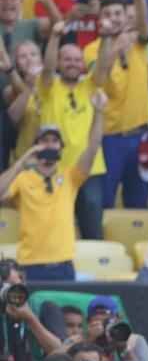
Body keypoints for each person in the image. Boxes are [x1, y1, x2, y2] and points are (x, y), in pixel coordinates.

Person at [0, 91, 104, 281]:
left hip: (63, 265)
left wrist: (98, 112)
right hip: (30, 265)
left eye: (55, 141)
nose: (49, 145)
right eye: (44, 141)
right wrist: (22, 161)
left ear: (61, 147)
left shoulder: (71, 176)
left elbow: (93, 147)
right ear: (36, 145)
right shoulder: (22, 178)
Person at [39, 20, 106, 239]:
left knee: (92, 232)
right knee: (57, 232)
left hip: (90, 170)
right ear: (59, 63)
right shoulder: (48, 87)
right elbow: (47, 68)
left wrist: (106, 38)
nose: (73, 64)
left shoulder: (90, 85)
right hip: (56, 169)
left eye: (77, 60)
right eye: (67, 59)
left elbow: (103, 66)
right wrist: (55, 37)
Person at [90, 0, 148, 210]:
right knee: (105, 200)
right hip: (110, 137)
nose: (114, 18)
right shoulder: (91, 50)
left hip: (142, 135)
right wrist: (115, 48)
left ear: (126, 17)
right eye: (107, 14)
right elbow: (98, 78)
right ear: (99, 20)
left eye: (118, 13)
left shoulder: (138, 43)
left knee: (139, 201)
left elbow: (145, 29)